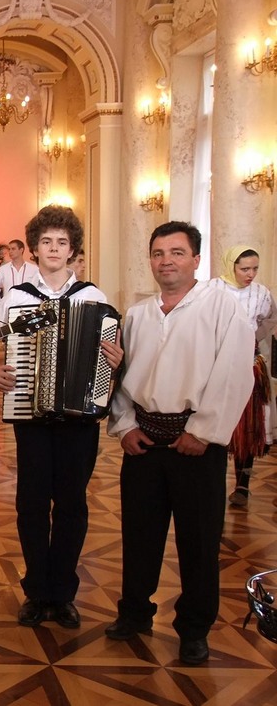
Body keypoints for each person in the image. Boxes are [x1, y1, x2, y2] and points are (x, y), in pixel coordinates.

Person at [106, 221, 253, 666]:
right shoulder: (138, 314)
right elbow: (123, 378)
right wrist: (125, 426)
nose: (165, 261)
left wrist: (202, 431)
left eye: (176, 252)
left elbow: (233, 373)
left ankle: (193, 628)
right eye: (157, 253)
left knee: (199, 541)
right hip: (144, 442)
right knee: (139, 534)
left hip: (197, 445)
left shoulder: (222, 307)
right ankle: (135, 612)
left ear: (196, 259)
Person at [0, 206, 122, 629]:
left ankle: (64, 593)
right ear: (34, 248)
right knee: (32, 504)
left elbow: (111, 357)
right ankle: (37, 591)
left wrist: (115, 361)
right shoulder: (16, 297)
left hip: (79, 418)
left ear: (73, 250)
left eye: (62, 242)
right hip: (30, 415)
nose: (54, 249)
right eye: (46, 242)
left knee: (72, 504)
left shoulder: (93, 297)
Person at [206, 245, 273, 507]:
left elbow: (268, 321)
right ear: (231, 265)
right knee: (218, 422)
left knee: (248, 426)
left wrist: (249, 339)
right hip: (217, 364)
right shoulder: (213, 289)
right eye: (245, 268)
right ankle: (213, 482)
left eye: (255, 268)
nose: (250, 274)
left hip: (248, 363)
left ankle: (242, 485)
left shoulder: (261, 293)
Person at [0, 238, 40, 307]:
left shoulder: (33, 269)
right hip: (9, 308)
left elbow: (41, 288)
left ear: (21, 250)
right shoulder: (3, 269)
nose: (10, 252)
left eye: (13, 249)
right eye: (9, 249)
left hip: (28, 308)